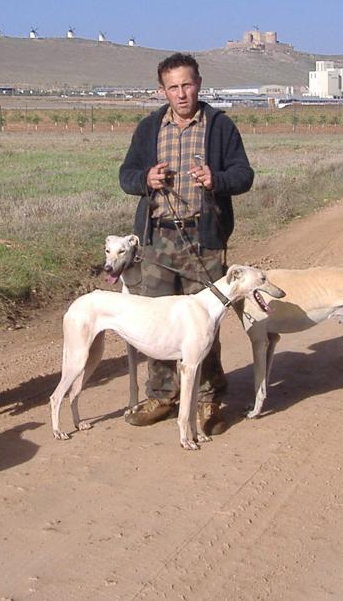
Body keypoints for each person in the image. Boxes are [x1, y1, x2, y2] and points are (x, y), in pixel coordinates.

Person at [118, 53, 255, 435]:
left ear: (199, 83)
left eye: (187, 85)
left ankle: (209, 400)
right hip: (158, 239)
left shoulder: (220, 127)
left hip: (205, 239)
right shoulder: (148, 128)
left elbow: (244, 175)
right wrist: (146, 178)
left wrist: (218, 180)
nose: (181, 93)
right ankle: (162, 395)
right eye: (173, 87)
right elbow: (125, 176)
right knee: (157, 323)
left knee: (204, 326)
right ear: (162, 90)